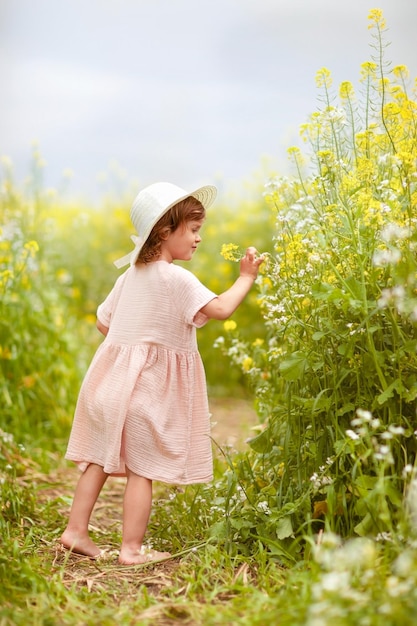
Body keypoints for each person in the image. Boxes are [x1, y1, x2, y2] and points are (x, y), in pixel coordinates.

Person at [60, 181, 264, 565]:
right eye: (193, 229)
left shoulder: (129, 277)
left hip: (107, 386)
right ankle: (131, 549)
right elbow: (219, 309)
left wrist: (137, 337)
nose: (198, 238)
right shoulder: (175, 279)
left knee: (97, 462)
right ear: (165, 231)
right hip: (143, 395)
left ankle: (75, 531)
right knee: (142, 471)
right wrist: (246, 277)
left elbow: (106, 324)